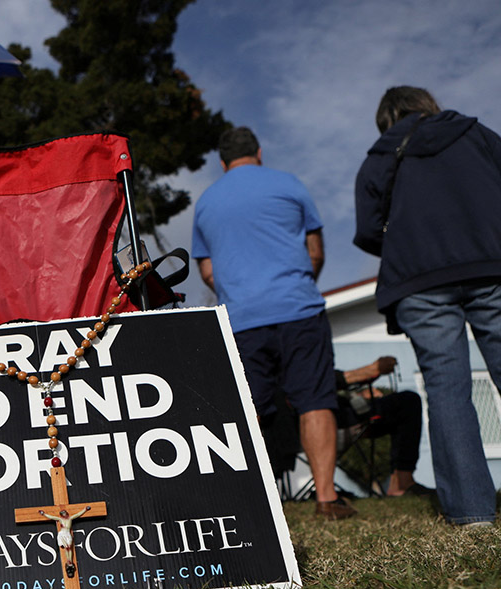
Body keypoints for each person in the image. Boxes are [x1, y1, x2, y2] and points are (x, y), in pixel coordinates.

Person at [355, 86, 501, 527]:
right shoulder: (475, 135)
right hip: (490, 261)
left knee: (447, 389)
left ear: (388, 118)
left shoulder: (379, 157)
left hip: (419, 281)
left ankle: (473, 516)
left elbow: (367, 231)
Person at [193, 126, 355, 520]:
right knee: (314, 399)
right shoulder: (289, 184)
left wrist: (240, 290)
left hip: (243, 318)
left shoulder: (207, 201)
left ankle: (249, 504)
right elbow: (314, 251)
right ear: (259, 152)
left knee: (250, 409)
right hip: (298, 309)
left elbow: (209, 270)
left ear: (222, 161)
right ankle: (327, 499)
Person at [336, 356, 433, 497]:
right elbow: (316, 383)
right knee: (408, 403)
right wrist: (369, 371)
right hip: (322, 419)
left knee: (407, 402)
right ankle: (401, 483)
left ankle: (402, 482)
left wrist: (359, 393)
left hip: (338, 410)